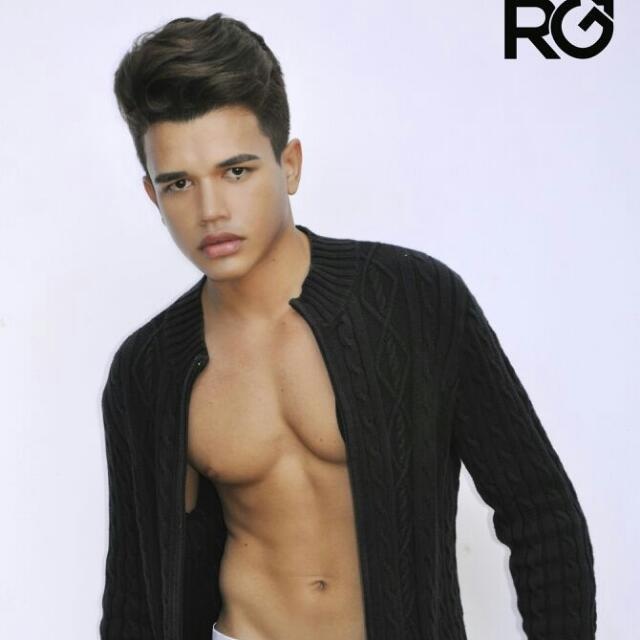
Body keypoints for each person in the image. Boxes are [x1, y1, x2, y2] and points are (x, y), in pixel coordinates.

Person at [99, 12, 597, 640]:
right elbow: (136, 598)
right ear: (153, 194)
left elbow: (539, 513)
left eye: (237, 171)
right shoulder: (146, 370)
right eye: (178, 184)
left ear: (289, 165)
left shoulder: (413, 299)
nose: (210, 210)